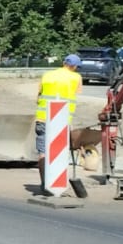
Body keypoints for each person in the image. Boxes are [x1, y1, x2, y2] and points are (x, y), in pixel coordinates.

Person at [35, 53, 83, 185]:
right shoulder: (76, 78)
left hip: (43, 118)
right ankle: (56, 182)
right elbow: (75, 94)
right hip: (61, 120)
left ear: (64, 63)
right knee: (58, 151)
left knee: (43, 152)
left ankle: (44, 182)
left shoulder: (47, 75)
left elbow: (39, 97)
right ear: (74, 66)